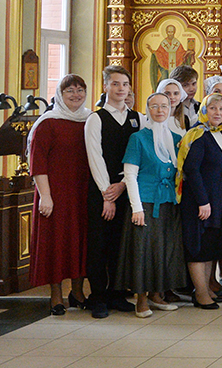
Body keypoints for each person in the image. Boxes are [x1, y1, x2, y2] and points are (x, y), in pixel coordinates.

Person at [116, 93, 186, 318]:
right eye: (154, 106)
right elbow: (130, 174)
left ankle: (158, 294)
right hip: (145, 202)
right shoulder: (138, 138)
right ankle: (141, 299)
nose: (160, 110)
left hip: (168, 202)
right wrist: (136, 208)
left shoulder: (176, 138)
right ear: (148, 110)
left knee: (164, 249)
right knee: (143, 251)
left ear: (170, 109)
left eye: (164, 106)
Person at [28, 74, 92, 315]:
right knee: (56, 243)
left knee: (81, 241)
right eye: (70, 91)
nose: (76, 95)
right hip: (55, 194)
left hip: (82, 192)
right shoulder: (47, 123)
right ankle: (56, 295)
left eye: (80, 90)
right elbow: (38, 163)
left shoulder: (90, 119)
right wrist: (45, 196)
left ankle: (77, 292)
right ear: (59, 95)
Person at [84, 65, 141, 319]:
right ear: (106, 86)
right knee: (99, 245)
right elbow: (95, 157)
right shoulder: (96, 119)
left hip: (127, 189)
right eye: (115, 84)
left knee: (121, 244)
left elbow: (140, 156)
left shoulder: (137, 118)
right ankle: (98, 297)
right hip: (102, 191)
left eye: (125, 84)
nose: (120, 88)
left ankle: (117, 294)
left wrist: (123, 185)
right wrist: (107, 194)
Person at [176, 93, 222, 310]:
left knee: (211, 245)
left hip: (220, 198)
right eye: (213, 108)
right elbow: (191, 170)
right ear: (204, 111)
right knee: (198, 246)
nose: (218, 113)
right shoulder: (198, 134)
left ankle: (208, 287)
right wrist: (203, 201)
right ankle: (200, 293)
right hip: (201, 201)